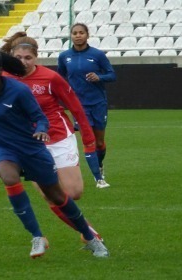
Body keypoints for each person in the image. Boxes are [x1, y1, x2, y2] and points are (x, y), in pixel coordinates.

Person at [0, 50, 109, 258]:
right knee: (9, 178)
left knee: (57, 195)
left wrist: (41, 129)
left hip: (31, 147)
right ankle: (37, 237)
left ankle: (90, 237)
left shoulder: (18, 90)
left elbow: (39, 116)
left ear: (0, 72)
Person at [0, 31, 106, 241]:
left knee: (73, 192)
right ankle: (90, 234)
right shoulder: (4, 78)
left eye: (28, 58)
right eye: (18, 58)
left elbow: (75, 107)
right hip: (28, 143)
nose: (23, 62)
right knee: (50, 195)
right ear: (12, 57)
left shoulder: (50, 77)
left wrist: (88, 140)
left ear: (36, 57)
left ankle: (87, 232)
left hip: (57, 136)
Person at [58, 23, 116, 188]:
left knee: (99, 142)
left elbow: (112, 75)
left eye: (81, 32)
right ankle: (99, 179)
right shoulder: (64, 56)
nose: (78, 35)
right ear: (71, 36)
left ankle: (99, 164)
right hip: (78, 105)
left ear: (87, 35)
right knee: (88, 140)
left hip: (98, 103)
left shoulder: (97, 55)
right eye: (74, 33)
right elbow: (60, 78)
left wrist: (100, 77)